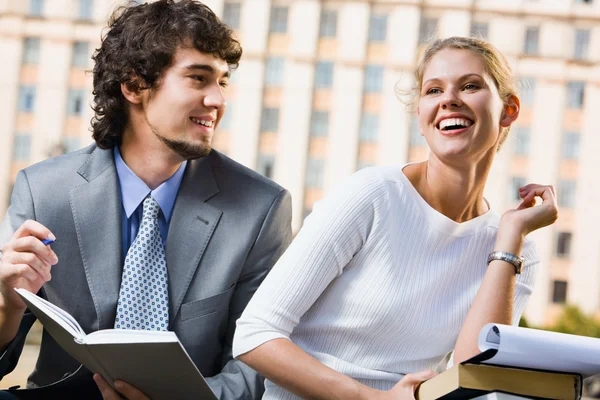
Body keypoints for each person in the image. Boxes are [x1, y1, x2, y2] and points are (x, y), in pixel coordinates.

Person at [232, 36, 559, 400]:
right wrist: (372, 398)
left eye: (470, 86)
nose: (449, 99)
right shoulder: (373, 195)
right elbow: (254, 334)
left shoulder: (516, 251)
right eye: (433, 90)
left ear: (508, 110)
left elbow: (470, 379)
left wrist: (510, 237)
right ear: (421, 117)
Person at [0, 1, 292, 399]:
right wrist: (7, 303)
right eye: (198, 78)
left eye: (222, 82)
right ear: (135, 86)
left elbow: (256, 365)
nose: (218, 100)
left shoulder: (260, 209)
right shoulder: (43, 191)